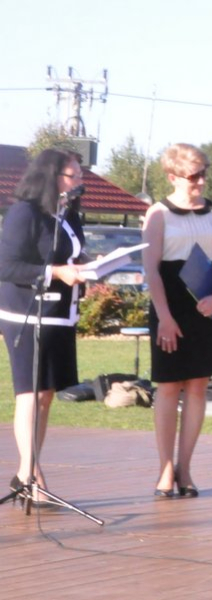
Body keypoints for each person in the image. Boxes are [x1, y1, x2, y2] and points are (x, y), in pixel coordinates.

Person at [142, 143, 212, 499]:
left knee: (198, 386)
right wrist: (164, 317)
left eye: (203, 174)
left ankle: (185, 468)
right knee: (169, 386)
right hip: (169, 305)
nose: (200, 182)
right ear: (173, 177)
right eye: (192, 176)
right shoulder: (158, 213)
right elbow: (151, 269)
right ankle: (165, 468)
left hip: (206, 305)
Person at [0, 148, 86, 507]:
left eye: (80, 175)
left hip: (59, 315)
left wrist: (88, 267)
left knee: (46, 395)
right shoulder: (25, 212)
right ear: (52, 176)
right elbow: (6, 266)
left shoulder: (67, 214)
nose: (79, 182)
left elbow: (71, 255)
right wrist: (55, 272)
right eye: (73, 175)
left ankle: (26, 474)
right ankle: (32, 476)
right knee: (30, 394)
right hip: (25, 315)